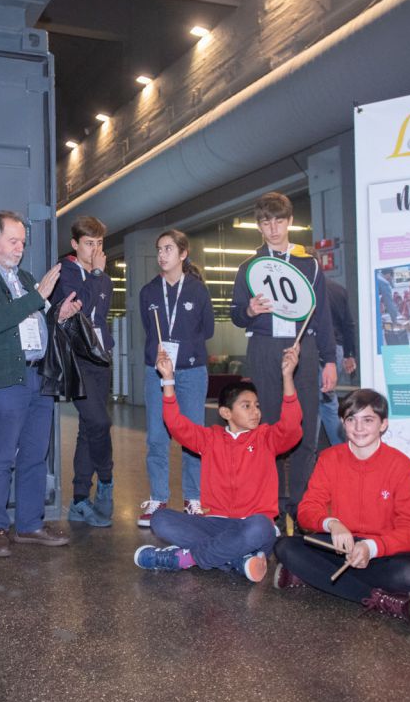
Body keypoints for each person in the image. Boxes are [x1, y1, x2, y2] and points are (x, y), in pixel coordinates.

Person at [0, 211, 79, 557]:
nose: (20, 248)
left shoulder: (24, 278)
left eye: (23, 242)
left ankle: (29, 525)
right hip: (3, 381)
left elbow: (34, 318)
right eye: (13, 240)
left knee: (34, 455)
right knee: (1, 457)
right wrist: (39, 296)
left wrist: (58, 314)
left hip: (37, 376)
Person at [133, 346, 302, 582]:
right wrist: (168, 380)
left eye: (257, 406)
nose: (256, 412)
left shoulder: (266, 438)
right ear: (225, 412)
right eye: (246, 406)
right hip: (215, 524)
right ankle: (238, 560)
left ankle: (184, 559)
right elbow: (175, 424)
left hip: (251, 528)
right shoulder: (210, 439)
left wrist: (287, 377)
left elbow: (292, 426)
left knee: (261, 527)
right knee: (160, 520)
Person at [274, 388, 410, 626]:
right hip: (341, 546)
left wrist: (372, 547)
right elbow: (308, 511)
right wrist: (332, 523)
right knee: (285, 546)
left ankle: (308, 576)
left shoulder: (401, 466)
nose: (359, 428)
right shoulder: (329, 458)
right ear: (343, 423)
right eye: (351, 419)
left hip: (384, 551)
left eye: (368, 420)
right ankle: (380, 599)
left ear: (383, 424)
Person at [230, 192, 336, 524]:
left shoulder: (309, 263)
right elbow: (235, 314)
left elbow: (323, 316)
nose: (273, 228)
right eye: (265, 222)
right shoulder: (248, 267)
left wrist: (329, 360)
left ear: (290, 221)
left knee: (304, 427)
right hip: (263, 348)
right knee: (269, 429)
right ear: (258, 226)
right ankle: (271, 506)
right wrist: (249, 310)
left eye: (279, 220)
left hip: (302, 346)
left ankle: (303, 506)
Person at [138, 229, 214, 526]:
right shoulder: (148, 292)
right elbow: (148, 328)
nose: (161, 254)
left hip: (191, 372)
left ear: (183, 254)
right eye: (159, 249)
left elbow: (207, 330)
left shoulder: (197, 290)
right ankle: (158, 497)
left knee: (192, 437)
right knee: (157, 436)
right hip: (156, 371)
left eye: (168, 249)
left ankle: (193, 499)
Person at [52, 215, 114, 527]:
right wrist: (96, 273)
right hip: (78, 360)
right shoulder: (67, 272)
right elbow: (82, 307)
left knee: (89, 429)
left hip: (102, 358)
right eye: (89, 243)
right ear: (75, 245)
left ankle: (79, 500)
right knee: (99, 420)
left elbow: (101, 317)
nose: (95, 250)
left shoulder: (103, 277)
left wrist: (100, 275)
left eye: (100, 243)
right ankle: (106, 479)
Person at [317, 277, 358, 447]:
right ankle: (340, 449)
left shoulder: (306, 288)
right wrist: (349, 354)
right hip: (338, 349)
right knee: (326, 401)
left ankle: (310, 454)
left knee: (317, 402)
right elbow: (348, 324)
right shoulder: (338, 289)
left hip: (316, 350)